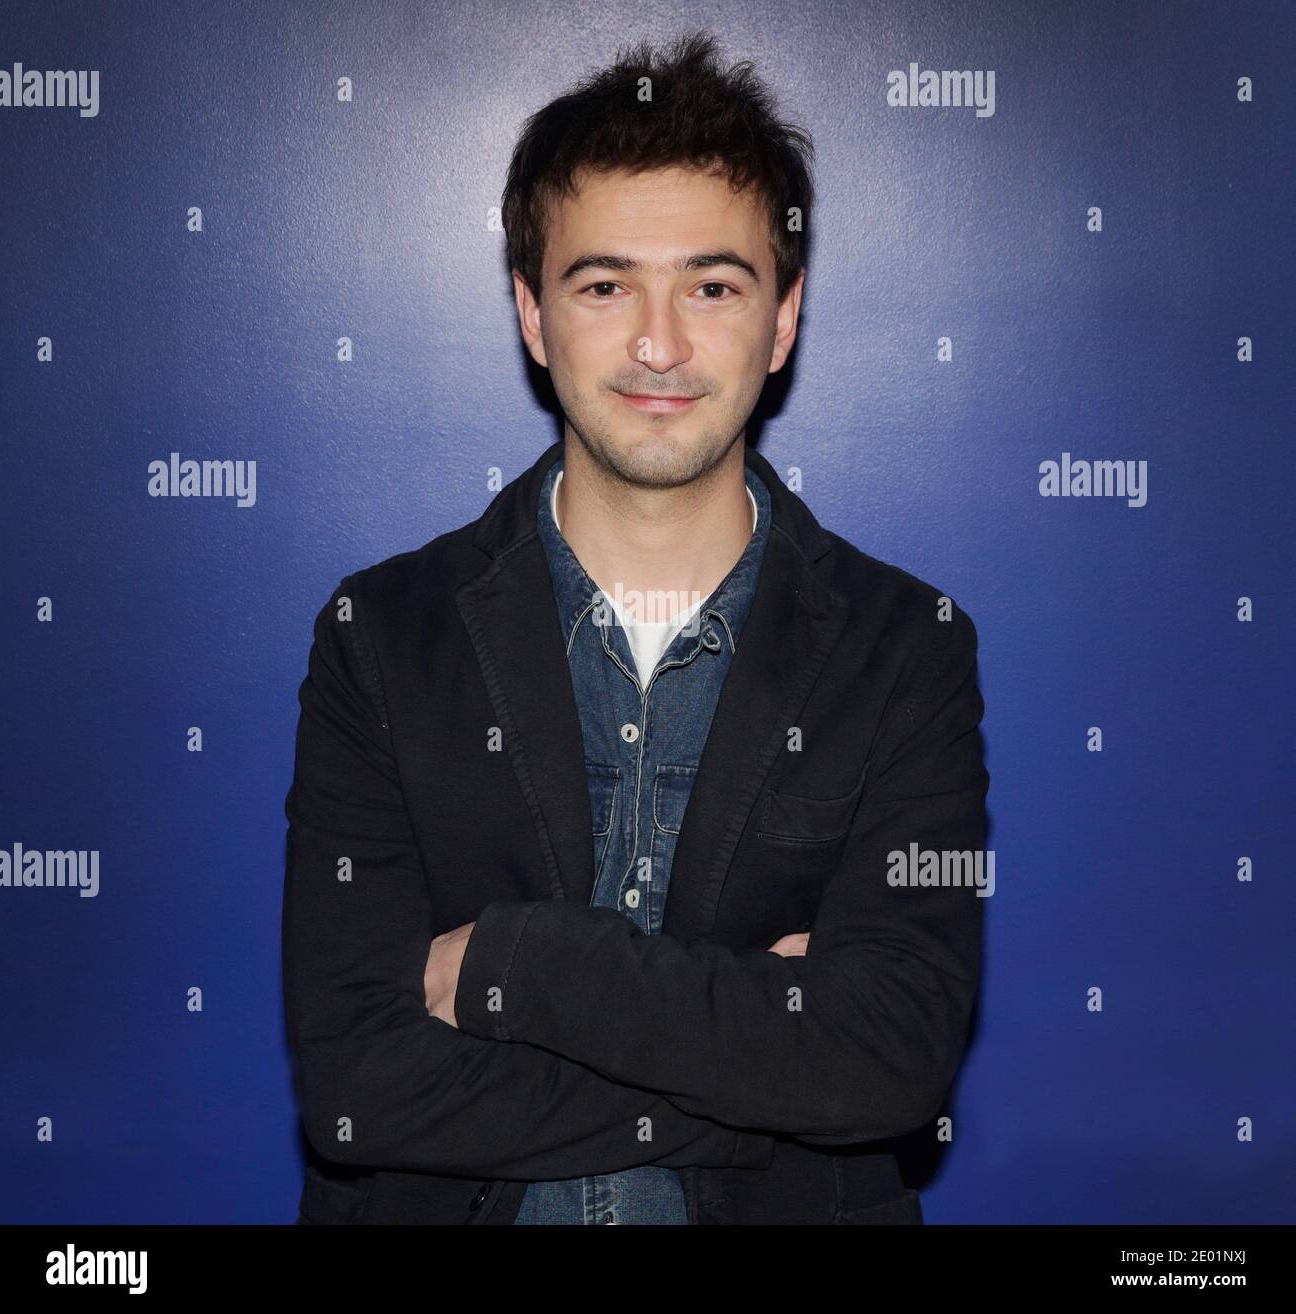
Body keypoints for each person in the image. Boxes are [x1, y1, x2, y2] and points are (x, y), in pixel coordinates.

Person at [282, 29, 989, 1226]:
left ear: (783, 317)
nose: (658, 344)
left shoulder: (905, 645)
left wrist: (513, 967)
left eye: (713, 286)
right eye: (604, 285)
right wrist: (769, 1072)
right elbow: (359, 1088)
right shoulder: (382, 636)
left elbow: (892, 1066)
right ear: (532, 312)